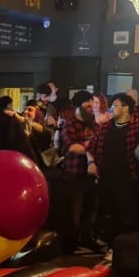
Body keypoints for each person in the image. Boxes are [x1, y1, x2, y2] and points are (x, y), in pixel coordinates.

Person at [86, 93, 139, 245]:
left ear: (126, 108)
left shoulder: (138, 127)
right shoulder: (105, 127)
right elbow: (90, 148)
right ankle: (110, 246)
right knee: (107, 213)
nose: (111, 109)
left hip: (128, 179)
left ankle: (123, 246)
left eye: (115, 106)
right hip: (105, 178)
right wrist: (91, 162)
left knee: (126, 216)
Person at [58, 99, 98, 249]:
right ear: (79, 107)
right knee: (74, 210)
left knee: (91, 209)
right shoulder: (70, 125)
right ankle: (71, 242)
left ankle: (87, 239)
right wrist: (91, 148)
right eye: (87, 105)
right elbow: (73, 147)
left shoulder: (94, 125)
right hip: (74, 174)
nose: (91, 108)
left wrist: (88, 147)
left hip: (92, 174)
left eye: (92, 105)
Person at [0, 96, 37, 161]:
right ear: (9, 105)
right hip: (11, 157)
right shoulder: (13, 119)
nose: (26, 112)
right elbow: (23, 143)